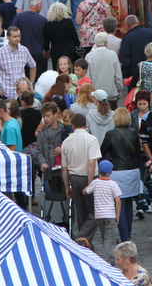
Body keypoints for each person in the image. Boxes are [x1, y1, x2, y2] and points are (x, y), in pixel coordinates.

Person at [99, 108, 142, 242]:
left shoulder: (111, 134)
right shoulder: (134, 133)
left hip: (117, 172)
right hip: (133, 171)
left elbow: (102, 152)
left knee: (120, 205)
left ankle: (124, 237)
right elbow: (138, 153)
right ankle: (127, 235)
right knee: (128, 204)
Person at [61, 112, 101, 241]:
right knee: (95, 213)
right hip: (88, 177)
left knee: (81, 213)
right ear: (86, 125)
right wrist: (90, 184)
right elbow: (91, 163)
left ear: (72, 126)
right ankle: (80, 238)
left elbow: (64, 167)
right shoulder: (91, 139)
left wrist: (67, 186)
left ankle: (85, 245)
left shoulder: (66, 142)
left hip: (74, 177)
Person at [83, 160, 121, 258]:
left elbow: (85, 192)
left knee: (104, 236)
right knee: (109, 238)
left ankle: (109, 258)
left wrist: (87, 186)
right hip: (110, 215)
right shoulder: (113, 184)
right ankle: (109, 260)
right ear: (111, 172)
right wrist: (118, 215)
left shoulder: (95, 183)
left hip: (99, 215)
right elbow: (118, 201)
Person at [0, 26, 37, 99]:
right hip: (6, 94)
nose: (17, 39)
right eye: (14, 36)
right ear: (8, 37)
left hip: (22, 95)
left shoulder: (24, 50)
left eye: (19, 36)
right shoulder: (0, 53)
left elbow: (33, 65)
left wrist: (31, 84)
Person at [86, 33, 124, 106]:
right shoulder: (113, 55)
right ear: (106, 43)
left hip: (96, 94)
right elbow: (117, 76)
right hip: (111, 94)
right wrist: (119, 90)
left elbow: (88, 76)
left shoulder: (89, 56)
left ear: (95, 43)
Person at [120, 14, 152, 81]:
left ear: (127, 25)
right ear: (137, 22)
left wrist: (125, 75)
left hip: (134, 74)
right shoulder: (150, 33)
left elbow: (126, 58)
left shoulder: (127, 38)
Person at [43, 1, 79, 70]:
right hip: (69, 51)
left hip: (56, 52)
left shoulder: (49, 25)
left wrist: (46, 50)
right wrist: (77, 44)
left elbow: (46, 41)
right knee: (69, 71)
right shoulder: (69, 22)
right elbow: (75, 37)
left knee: (57, 71)